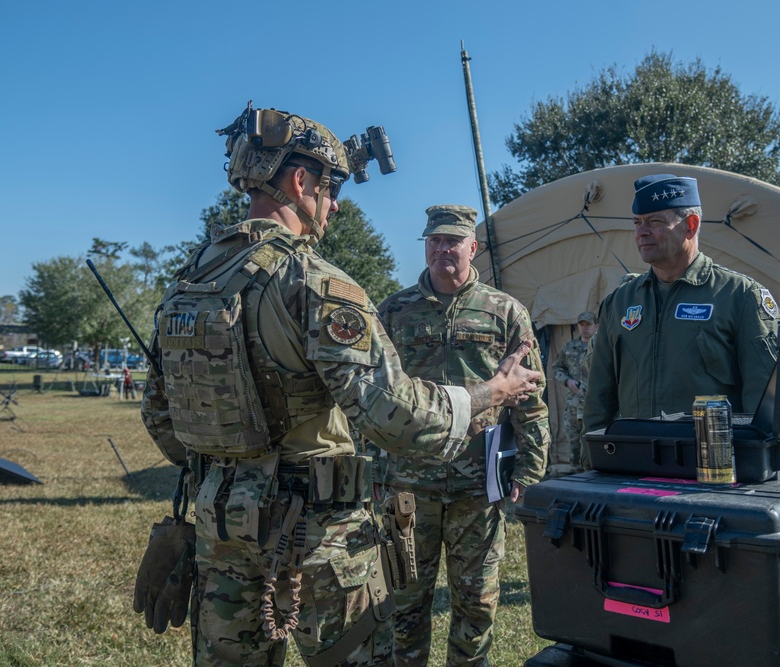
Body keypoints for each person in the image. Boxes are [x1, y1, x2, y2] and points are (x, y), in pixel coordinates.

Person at [139, 106, 541, 667]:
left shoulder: (191, 281)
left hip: (221, 531)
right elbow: (395, 415)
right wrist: (490, 393)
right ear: (299, 182)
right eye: (331, 187)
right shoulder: (317, 284)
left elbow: (161, 415)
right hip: (317, 540)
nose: (335, 203)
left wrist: (238, 471)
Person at [377, 204, 550, 667]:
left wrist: (530, 470)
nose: (443, 249)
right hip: (406, 486)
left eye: (453, 241)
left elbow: (530, 398)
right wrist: (370, 471)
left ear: (473, 247)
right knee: (404, 603)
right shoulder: (394, 311)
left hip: (478, 485)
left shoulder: (504, 312)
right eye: (434, 240)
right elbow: (371, 398)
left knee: (476, 604)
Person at [583, 174, 779, 437]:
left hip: (710, 466)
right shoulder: (620, 302)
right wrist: (594, 462)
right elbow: (598, 399)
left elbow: (765, 406)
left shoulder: (739, 296)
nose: (641, 231)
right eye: (637, 222)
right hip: (632, 464)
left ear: (690, 226)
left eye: (655, 221)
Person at [550, 311, 596, 475]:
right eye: (581, 325)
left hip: (595, 406)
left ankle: (595, 476)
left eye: (588, 325)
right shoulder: (569, 347)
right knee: (574, 444)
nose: (584, 329)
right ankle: (577, 476)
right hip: (573, 405)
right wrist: (567, 381)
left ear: (595, 326)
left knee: (593, 442)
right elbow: (557, 367)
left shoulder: (601, 347)